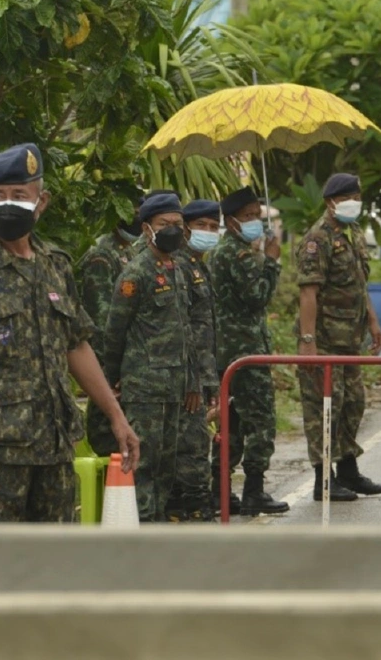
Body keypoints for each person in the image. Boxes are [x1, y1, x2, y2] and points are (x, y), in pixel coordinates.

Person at [0, 143, 139, 521]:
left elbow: (77, 347)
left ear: (40, 202)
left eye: (19, 195)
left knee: (52, 566)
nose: (8, 203)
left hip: (55, 449)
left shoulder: (56, 265)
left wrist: (116, 415)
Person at [100, 193, 211, 522]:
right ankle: (144, 527)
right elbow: (114, 332)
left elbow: (186, 331)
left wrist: (192, 380)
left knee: (166, 464)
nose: (173, 230)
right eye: (165, 224)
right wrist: (110, 384)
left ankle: (158, 524)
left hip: (175, 386)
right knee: (144, 463)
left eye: (178, 224)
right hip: (144, 387)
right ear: (147, 228)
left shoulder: (178, 269)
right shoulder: (136, 274)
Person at [295, 173, 381, 502]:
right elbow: (308, 292)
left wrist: (374, 322)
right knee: (325, 408)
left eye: (357, 196)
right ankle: (325, 479)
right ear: (330, 202)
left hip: (350, 339)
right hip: (323, 341)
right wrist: (307, 342)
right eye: (347, 196)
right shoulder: (317, 239)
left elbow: (359, 286)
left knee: (353, 403)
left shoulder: (353, 234)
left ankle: (349, 471)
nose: (354, 202)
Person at [209, 186, 288, 516]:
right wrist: (270, 261)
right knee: (259, 421)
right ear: (231, 222)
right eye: (248, 217)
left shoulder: (224, 251)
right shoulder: (237, 254)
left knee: (233, 423)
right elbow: (257, 296)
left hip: (230, 350)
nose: (256, 221)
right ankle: (253, 489)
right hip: (244, 351)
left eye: (258, 215)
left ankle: (221, 491)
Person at [166, 198, 221, 521]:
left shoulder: (200, 265)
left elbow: (205, 330)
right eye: (202, 226)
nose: (209, 233)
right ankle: (191, 506)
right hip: (185, 373)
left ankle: (191, 505)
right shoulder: (180, 265)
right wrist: (193, 378)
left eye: (214, 227)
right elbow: (183, 328)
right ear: (186, 229)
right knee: (192, 443)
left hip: (200, 370)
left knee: (194, 440)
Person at [78, 195, 143, 456]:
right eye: (132, 210)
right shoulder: (101, 256)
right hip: (110, 366)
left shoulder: (129, 251)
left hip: (131, 364)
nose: (137, 217)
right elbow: (103, 321)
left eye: (141, 211)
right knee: (110, 444)